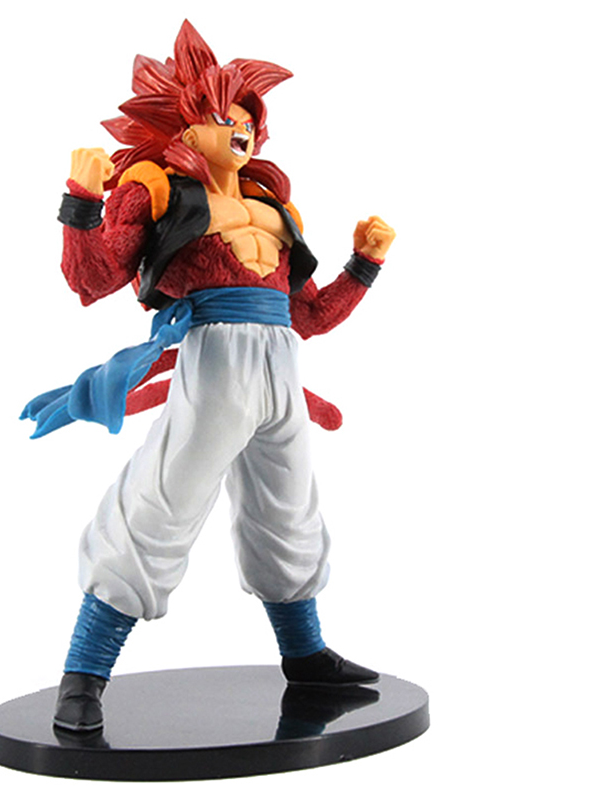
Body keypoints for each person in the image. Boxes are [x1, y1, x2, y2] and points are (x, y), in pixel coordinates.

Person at [21, 20, 396, 732]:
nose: (241, 130)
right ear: (186, 127)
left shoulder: (275, 207)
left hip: (278, 364)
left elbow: (307, 316)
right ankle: (84, 673)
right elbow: (92, 279)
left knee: (288, 510)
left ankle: (306, 656)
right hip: (213, 360)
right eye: (225, 118)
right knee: (161, 503)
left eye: (248, 119)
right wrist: (81, 202)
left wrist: (363, 265)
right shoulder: (155, 190)